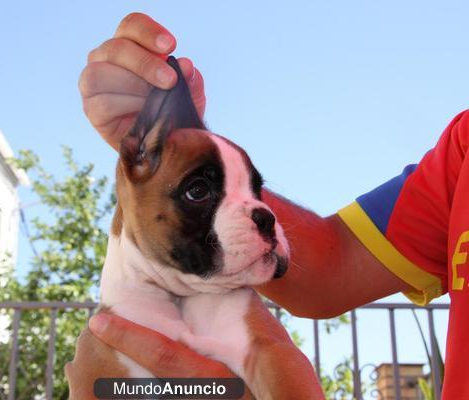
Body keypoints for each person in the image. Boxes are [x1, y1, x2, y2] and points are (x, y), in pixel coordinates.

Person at [73, 12, 469, 399]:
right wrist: (176, 143)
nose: (261, 214)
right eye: (201, 191)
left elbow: (271, 357)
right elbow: (335, 263)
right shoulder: (461, 151)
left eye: (253, 193)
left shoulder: (238, 316)